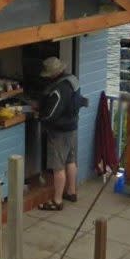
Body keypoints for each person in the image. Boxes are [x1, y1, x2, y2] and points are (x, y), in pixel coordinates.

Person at [37, 57, 87, 212]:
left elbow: (50, 113)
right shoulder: (73, 80)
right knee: (70, 160)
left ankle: (57, 201)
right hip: (72, 126)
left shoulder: (58, 90)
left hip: (59, 131)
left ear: (52, 74)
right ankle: (71, 192)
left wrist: (40, 115)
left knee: (58, 167)